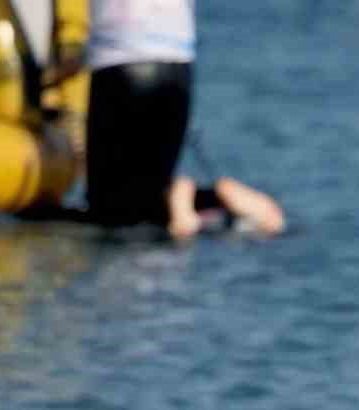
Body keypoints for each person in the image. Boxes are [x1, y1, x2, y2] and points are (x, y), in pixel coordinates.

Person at [77, 0, 284, 237]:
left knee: (109, 209)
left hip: (120, 61)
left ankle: (191, 196)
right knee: (141, 199)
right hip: (177, 64)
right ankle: (217, 206)